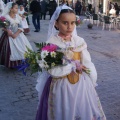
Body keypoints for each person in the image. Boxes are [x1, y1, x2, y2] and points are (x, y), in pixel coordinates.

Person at [35, 5, 106, 120]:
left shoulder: (79, 41)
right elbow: (52, 69)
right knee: (64, 111)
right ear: (56, 23)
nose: (69, 27)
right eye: (65, 23)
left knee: (82, 107)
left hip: (81, 84)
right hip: (60, 86)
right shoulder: (52, 43)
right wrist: (71, 66)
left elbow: (87, 62)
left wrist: (92, 78)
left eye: (72, 23)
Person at [0, 2, 33, 68]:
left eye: (17, 8)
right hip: (8, 36)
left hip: (18, 35)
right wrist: (7, 31)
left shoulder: (18, 16)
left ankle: (21, 62)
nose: (17, 10)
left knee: (23, 48)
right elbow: (2, 27)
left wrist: (15, 34)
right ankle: (11, 64)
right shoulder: (5, 17)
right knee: (10, 50)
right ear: (11, 9)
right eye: (15, 8)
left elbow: (21, 26)